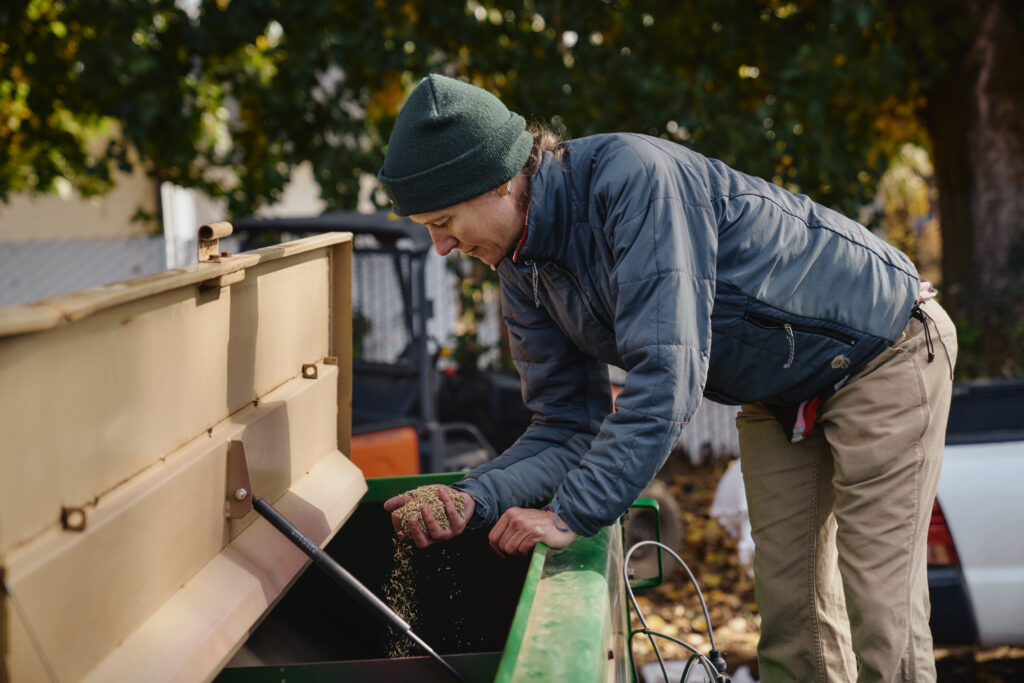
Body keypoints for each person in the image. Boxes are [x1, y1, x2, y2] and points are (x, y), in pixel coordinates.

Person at [377, 74, 957, 683]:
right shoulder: (524, 267)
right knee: (794, 627)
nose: (440, 246)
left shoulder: (635, 178)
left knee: (881, 618)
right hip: (779, 392)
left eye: (443, 220)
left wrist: (572, 513)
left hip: (883, 350)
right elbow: (566, 426)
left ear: (498, 180)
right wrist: (476, 497)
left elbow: (670, 372)